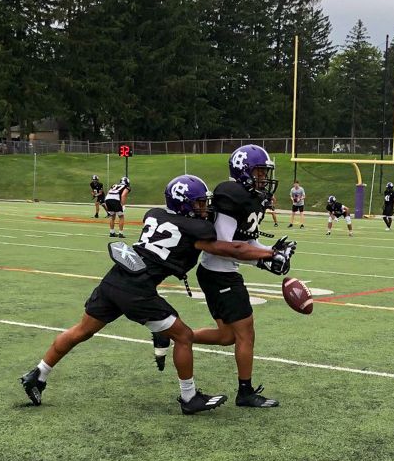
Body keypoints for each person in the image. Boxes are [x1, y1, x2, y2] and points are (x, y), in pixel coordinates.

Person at [20, 175, 293, 414]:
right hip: (137, 290)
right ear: (185, 204)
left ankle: (39, 373)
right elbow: (231, 249)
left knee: (81, 330)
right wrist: (269, 253)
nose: (205, 208)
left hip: (115, 278)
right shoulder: (196, 230)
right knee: (183, 336)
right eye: (199, 203)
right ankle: (189, 397)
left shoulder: (154, 214)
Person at [183, 144, 291, 408]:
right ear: (244, 171)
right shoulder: (231, 195)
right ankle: (246, 392)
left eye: (265, 173)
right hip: (220, 274)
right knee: (246, 334)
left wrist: (271, 251)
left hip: (219, 273)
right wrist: (266, 259)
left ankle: (177, 335)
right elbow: (225, 245)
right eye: (259, 172)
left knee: (227, 336)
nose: (264, 178)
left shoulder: (249, 197)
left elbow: (246, 241)